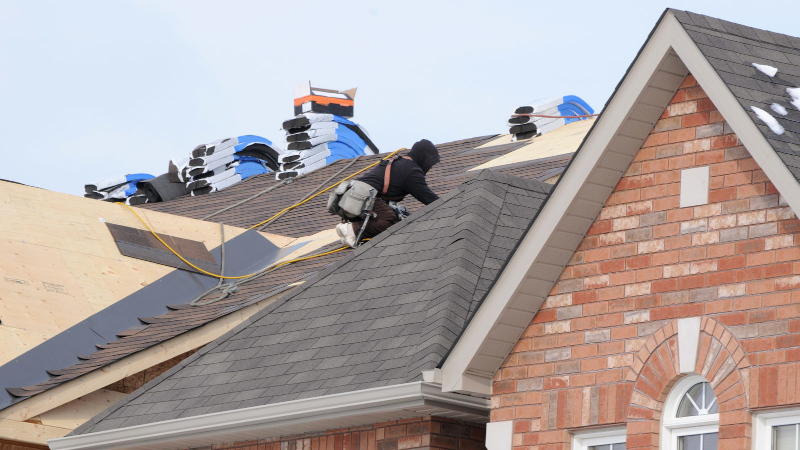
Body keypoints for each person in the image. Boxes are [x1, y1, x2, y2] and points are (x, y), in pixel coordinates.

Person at [336, 139, 440, 247]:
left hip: (348, 196)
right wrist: (451, 204)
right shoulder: (411, 171)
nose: (430, 168)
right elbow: (430, 199)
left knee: (386, 215)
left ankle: (350, 234)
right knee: (393, 221)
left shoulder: (399, 163)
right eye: (430, 164)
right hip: (362, 198)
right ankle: (351, 229)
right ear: (423, 158)